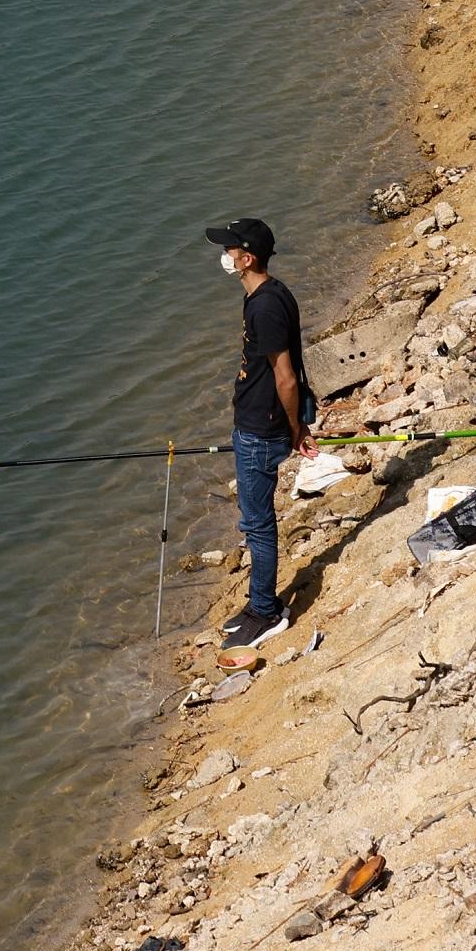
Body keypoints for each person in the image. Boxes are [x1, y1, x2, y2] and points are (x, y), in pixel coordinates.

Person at [207, 216, 316, 648]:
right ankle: (259, 602)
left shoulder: (266, 305)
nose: (225, 256)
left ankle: (266, 612)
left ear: (246, 258)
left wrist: (293, 428)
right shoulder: (269, 294)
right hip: (262, 424)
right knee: (256, 520)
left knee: (257, 524)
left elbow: (286, 377)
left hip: (260, 429)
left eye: (231, 250)